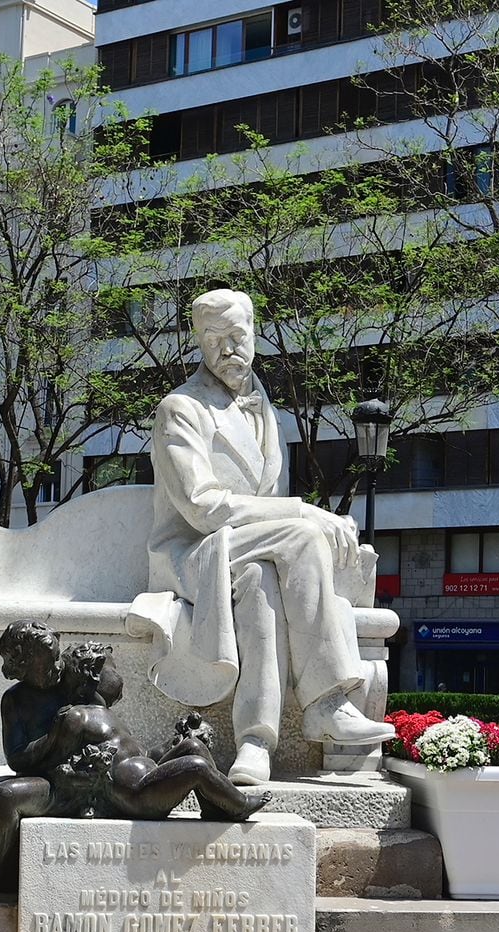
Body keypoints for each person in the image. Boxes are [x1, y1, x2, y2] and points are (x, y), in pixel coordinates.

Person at [142, 288, 393, 785]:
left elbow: (263, 504)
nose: (228, 350)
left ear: (255, 333)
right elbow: (203, 507)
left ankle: (256, 744)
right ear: (198, 343)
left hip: (249, 558)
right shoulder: (181, 409)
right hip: (195, 554)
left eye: (237, 336)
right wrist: (306, 512)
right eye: (214, 341)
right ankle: (326, 701)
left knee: (261, 582)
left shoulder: (269, 414)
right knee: (301, 538)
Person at [0, 621, 263, 915]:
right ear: (23, 668)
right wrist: (56, 743)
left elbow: (117, 724)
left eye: (56, 657)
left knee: (6, 796)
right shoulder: (16, 701)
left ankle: (220, 804)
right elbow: (17, 760)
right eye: (47, 664)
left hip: (89, 779)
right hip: (54, 774)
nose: (56, 667)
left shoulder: (71, 681)